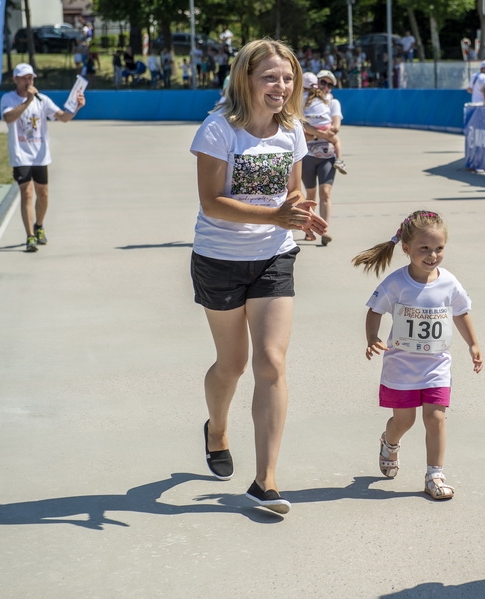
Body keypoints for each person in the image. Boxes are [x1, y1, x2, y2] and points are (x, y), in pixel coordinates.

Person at [189, 39, 327, 515]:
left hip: (274, 257)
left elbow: (294, 189)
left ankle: (265, 480)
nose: (281, 86)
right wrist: (276, 217)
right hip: (219, 259)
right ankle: (216, 428)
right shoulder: (218, 129)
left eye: (287, 78)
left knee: (271, 361)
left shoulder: (291, 131)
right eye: (270, 77)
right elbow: (212, 202)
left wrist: (301, 213)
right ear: (245, 79)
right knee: (232, 365)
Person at [353, 210, 483, 501]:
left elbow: (461, 313)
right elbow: (374, 311)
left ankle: (434, 474)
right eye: (424, 248)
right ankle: (390, 441)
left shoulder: (449, 283)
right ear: (406, 248)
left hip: (436, 366)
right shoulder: (396, 283)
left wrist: (473, 345)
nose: (432, 255)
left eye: (439, 248)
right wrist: (372, 338)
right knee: (404, 421)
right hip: (401, 367)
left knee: (436, 417)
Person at [0, 63, 85, 253]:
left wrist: (77, 107)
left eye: (30, 78)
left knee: (43, 194)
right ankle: (30, 235)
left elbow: (63, 117)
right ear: (15, 79)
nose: (28, 81)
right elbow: (8, 118)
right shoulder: (8, 99)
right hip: (21, 155)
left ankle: (39, 225)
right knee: (27, 193)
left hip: (40, 155)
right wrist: (27, 101)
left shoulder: (42, 100)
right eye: (23, 78)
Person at [300, 72, 345, 245]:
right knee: (310, 195)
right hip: (308, 155)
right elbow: (299, 124)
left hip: (327, 155)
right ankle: (308, 226)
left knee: (325, 193)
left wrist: (313, 134)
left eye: (329, 84)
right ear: (315, 84)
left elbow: (335, 128)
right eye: (322, 82)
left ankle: (325, 231)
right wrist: (319, 134)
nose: (325, 86)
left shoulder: (332, 102)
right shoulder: (303, 100)